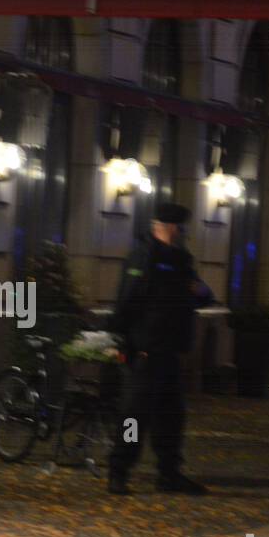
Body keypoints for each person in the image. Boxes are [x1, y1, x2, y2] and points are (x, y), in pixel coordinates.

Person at [107, 201, 214, 496]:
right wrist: (122, 340)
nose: (183, 233)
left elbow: (203, 294)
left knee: (171, 415)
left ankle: (169, 474)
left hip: (170, 350)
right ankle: (119, 471)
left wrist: (200, 291)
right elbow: (127, 300)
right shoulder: (143, 257)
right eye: (180, 228)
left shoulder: (180, 259)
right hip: (146, 350)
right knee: (134, 415)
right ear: (168, 228)